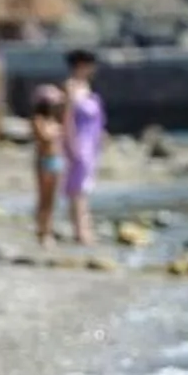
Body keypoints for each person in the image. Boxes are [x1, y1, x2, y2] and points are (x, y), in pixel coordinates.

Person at [61, 49, 106, 246]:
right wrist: (71, 144)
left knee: (84, 187)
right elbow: (67, 118)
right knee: (76, 188)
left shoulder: (87, 87)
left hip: (91, 140)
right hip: (78, 141)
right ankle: (80, 231)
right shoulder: (70, 87)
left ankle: (84, 228)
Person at [27, 84, 66, 246]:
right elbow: (44, 136)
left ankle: (48, 229)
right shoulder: (38, 120)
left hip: (56, 161)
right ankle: (42, 230)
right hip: (44, 162)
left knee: (51, 199)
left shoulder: (54, 120)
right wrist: (56, 131)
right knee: (43, 198)